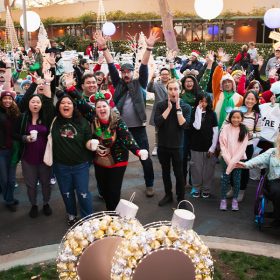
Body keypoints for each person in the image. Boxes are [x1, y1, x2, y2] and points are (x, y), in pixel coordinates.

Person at [95, 30, 159, 197]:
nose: (125, 74)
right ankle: (110, 188)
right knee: (115, 159)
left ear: (133, 73)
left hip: (138, 128)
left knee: (145, 158)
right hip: (119, 129)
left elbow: (144, 65)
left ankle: (149, 184)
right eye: (123, 72)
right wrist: (103, 48)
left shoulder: (140, 83)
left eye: (128, 72)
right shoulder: (118, 84)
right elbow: (110, 65)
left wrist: (149, 48)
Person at [89, 93, 148, 210]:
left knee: (114, 190)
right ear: (95, 110)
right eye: (98, 107)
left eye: (104, 106)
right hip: (100, 160)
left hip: (118, 161)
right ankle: (109, 209)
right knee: (103, 188)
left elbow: (127, 138)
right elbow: (81, 105)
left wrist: (138, 151)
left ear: (109, 107)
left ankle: (113, 215)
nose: (101, 109)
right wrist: (70, 89)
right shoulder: (93, 120)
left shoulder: (117, 121)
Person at [15, 71, 55, 218]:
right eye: (33, 102)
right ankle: (34, 205)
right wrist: (25, 138)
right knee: (31, 185)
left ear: (40, 104)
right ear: (29, 104)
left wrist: (48, 83)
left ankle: (45, 203)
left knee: (46, 183)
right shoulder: (23, 117)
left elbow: (49, 102)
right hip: (28, 159)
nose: (35, 104)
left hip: (44, 158)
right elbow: (15, 134)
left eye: (38, 102)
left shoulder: (46, 116)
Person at [52, 95, 94, 226]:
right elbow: (47, 101)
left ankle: (87, 217)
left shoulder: (82, 122)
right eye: (62, 103)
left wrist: (91, 144)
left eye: (69, 103)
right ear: (58, 106)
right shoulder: (54, 121)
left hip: (80, 165)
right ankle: (71, 214)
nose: (65, 105)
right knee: (66, 192)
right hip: (61, 166)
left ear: (73, 106)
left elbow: (87, 140)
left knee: (83, 192)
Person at [154, 79, 191, 206]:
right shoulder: (160, 105)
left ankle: (181, 198)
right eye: (170, 89)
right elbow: (157, 122)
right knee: (165, 172)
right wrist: (169, 109)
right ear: (167, 90)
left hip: (177, 147)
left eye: (175, 89)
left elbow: (184, 125)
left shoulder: (186, 107)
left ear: (180, 90)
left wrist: (178, 109)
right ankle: (168, 195)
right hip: (163, 145)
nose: (173, 92)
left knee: (179, 174)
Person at [236, 133, 280, 228]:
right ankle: (278, 217)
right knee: (277, 191)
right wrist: (245, 164)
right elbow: (259, 159)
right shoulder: (272, 152)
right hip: (274, 181)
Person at [190, 93, 218, 198]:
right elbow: (197, 126)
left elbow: (216, 131)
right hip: (195, 146)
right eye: (201, 101)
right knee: (196, 168)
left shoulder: (212, 114)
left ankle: (206, 188)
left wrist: (213, 147)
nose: (203, 103)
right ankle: (196, 188)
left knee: (208, 169)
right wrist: (198, 110)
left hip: (208, 147)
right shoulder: (193, 112)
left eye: (205, 101)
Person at [219, 110, 248, 211]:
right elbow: (222, 145)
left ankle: (235, 200)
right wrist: (228, 160)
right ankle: (223, 200)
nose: (235, 119)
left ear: (241, 119)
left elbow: (242, 149)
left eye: (238, 117)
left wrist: (233, 162)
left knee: (237, 181)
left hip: (238, 160)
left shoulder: (244, 130)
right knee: (225, 180)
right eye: (233, 117)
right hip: (226, 159)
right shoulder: (225, 128)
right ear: (230, 118)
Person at [0, 90, 20, 212]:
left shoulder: (15, 112)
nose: (7, 100)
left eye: (9, 98)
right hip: (1, 151)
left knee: (11, 179)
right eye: (4, 98)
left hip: (12, 150)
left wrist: (35, 83)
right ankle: (9, 200)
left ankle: (9, 198)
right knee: (4, 179)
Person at [147, 67, 170, 156]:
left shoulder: (172, 84)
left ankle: (167, 146)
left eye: (166, 74)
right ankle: (156, 146)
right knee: (158, 130)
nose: (165, 76)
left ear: (169, 75)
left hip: (170, 110)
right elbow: (149, 89)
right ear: (160, 75)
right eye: (163, 74)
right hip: (159, 111)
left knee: (169, 130)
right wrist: (152, 78)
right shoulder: (156, 84)